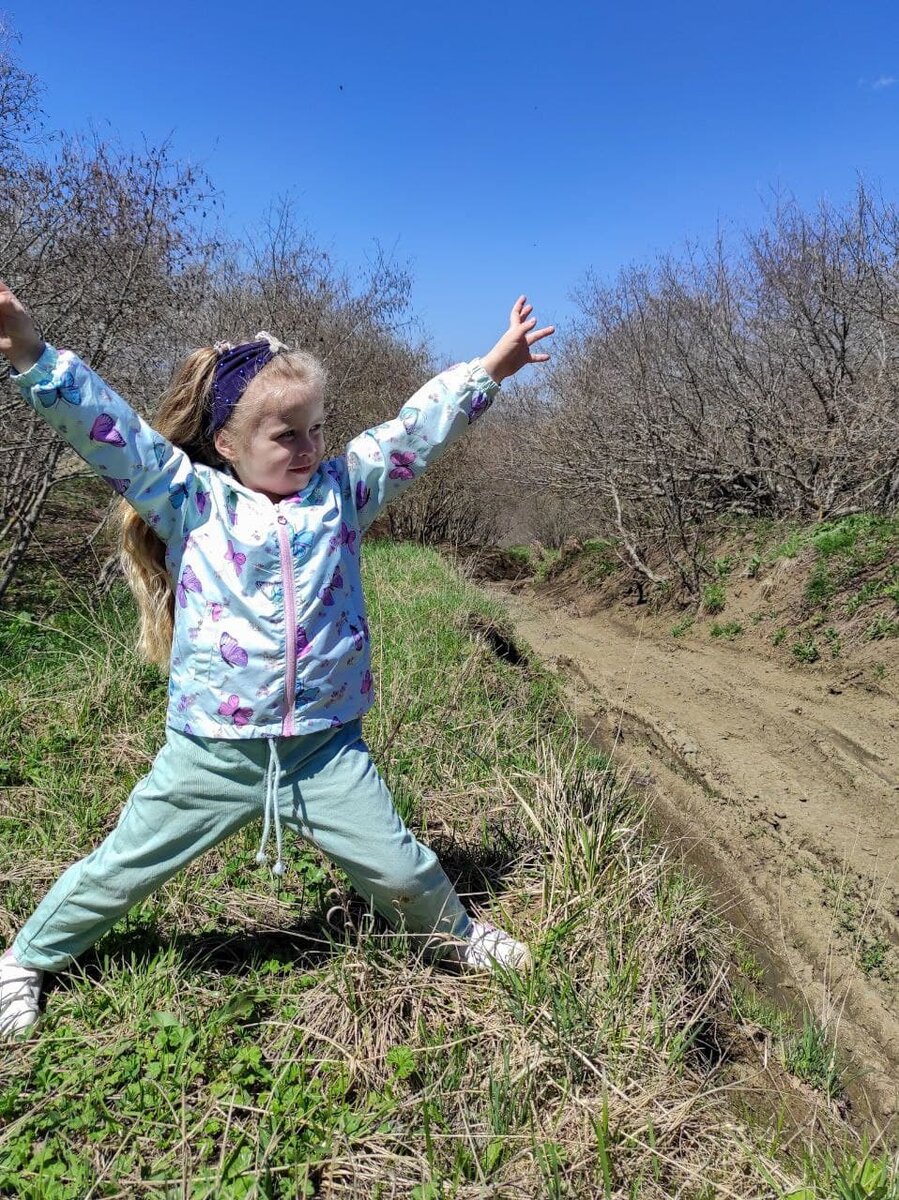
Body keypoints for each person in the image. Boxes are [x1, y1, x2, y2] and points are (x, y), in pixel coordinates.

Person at [0, 281, 554, 1037]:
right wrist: (32, 355)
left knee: (398, 869)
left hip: (324, 748)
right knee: (121, 868)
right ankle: (26, 958)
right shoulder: (189, 500)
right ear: (226, 443)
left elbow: (416, 431)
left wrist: (490, 368)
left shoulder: (343, 493)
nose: (308, 447)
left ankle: (454, 934)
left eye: (316, 428)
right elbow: (111, 433)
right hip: (212, 751)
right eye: (285, 434)